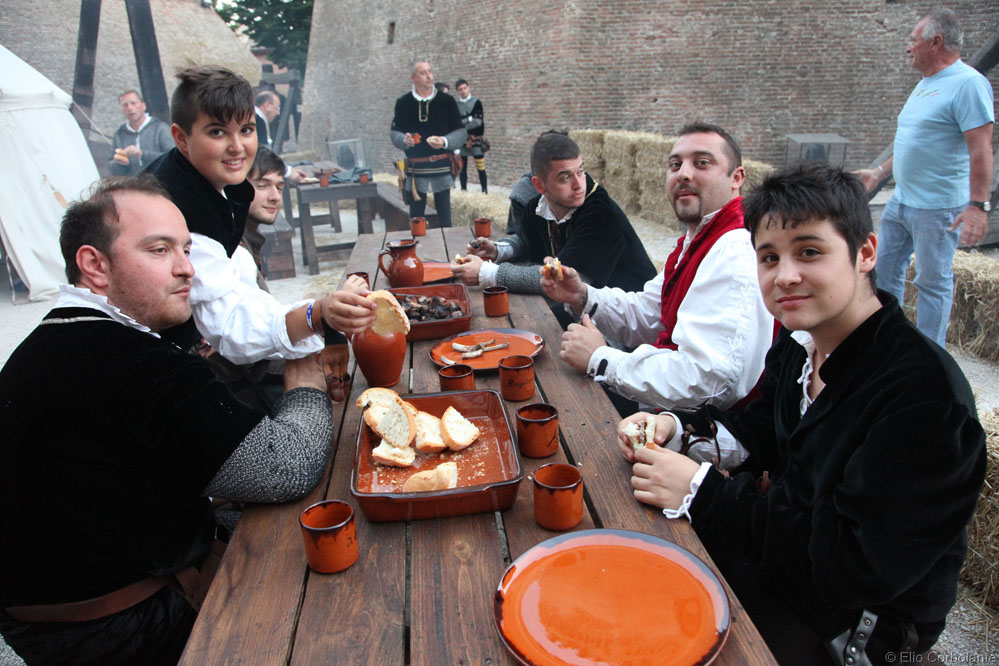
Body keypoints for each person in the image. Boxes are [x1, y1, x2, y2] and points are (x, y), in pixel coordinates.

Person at [616, 163, 985, 665]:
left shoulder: (926, 398)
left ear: (865, 253)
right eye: (769, 257)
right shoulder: (800, 342)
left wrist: (703, 493)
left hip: (861, 627)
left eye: (809, 251)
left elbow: (854, 566)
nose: (785, 275)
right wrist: (676, 429)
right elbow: (761, 431)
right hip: (787, 564)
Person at [0, 177, 345, 665]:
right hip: (123, 624)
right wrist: (306, 384)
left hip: (50, 617)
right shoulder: (132, 362)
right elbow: (284, 468)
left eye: (186, 249)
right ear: (94, 265)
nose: (187, 269)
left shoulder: (50, 345)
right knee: (332, 571)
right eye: (160, 250)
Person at [145, 66, 375, 410]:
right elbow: (231, 327)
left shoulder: (209, 180)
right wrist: (316, 314)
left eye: (246, 130)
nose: (237, 147)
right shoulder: (182, 212)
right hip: (171, 378)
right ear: (181, 137)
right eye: (217, 132)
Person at [541, 123, 773, 411]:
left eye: (702, 163)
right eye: (675, 165)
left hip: (699, 426)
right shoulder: (698, 240)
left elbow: (711, 382)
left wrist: (602, 358)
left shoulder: (735, 250)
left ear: (736, 178)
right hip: (669, 405)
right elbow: (650, 314)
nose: (684, 173)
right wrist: (582, 295)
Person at [854, 8, 994, 348]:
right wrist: (879, 172)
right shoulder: (925, 84)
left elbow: (981, 148)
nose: (908, 47)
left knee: (932, 284)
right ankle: (887, 345)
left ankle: (931, 358)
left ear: (936, 42)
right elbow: (914, 142)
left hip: (937, 208)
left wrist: (978, 206)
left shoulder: (968, 84)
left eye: (912, 40)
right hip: (901, 202)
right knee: (882, 275)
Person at [452, 131, 656, 330]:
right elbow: (526, 240)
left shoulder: (601, 213)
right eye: (565, 177)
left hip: (628, 321)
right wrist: (498, 250)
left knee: (528, 326)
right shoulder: (536, 207)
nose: (579, 185)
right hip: (579, 308)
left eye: (581, 171)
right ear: (540, 185)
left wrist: (487, 272)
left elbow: (563, 280)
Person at [390, 59, 466, 228]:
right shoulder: (403, 103)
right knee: (416, 220)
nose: (429, 76)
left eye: (430, 71)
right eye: (423, 73)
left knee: (445, 220)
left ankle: (446, 246)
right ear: (413, 78)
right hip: (416, 171)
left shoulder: (446, 101)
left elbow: (461, 132)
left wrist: (445, 141)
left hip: (441, 167)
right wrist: (403, 139)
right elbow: (395, 132)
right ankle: (416, 245)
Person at [241, 147, 286, 285]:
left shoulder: (248, 237)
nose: (275, 197)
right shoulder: (233, 248)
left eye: (279, 188)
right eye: (262, 186)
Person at [109, 89, 174, 176]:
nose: (129, 108)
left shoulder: (160, 128)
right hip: (132, 183)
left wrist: (142, 154)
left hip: (159, 182)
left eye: (133, 103)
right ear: (122, 110)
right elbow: (111, 167)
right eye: (125, 105)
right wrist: (119, 164)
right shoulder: (120, 134)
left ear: (143, 105)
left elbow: (172, 159)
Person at [454, 78, 488, 193]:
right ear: (457, 91)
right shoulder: (456, 105)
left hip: (475, 139)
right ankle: (464, 190)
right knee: (462, 168)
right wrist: (469, 119)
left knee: (480, 168)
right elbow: (456, 123)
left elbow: (478, 121)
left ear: (468, 87)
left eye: (465, 88)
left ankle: (484, 191)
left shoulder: (476, 102)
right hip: (462, 141)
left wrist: (463, 124)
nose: (463, 91)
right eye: (460, 89)